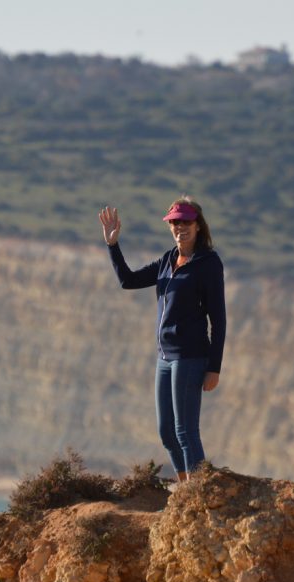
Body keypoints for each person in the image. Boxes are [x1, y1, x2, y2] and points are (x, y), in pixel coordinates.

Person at [99, 197, 226, 482]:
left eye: (186, 222)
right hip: (165, 358)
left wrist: (214, 367)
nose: (180, 227)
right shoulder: (168, 260)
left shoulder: (208, 263)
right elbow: (127, 280)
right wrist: (112, 245)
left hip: (190, 356)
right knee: (166, 431)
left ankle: (199, 493)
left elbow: (219, 319)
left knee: (185, 431)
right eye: (175, 222)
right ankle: (185, 489)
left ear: (198, 225)